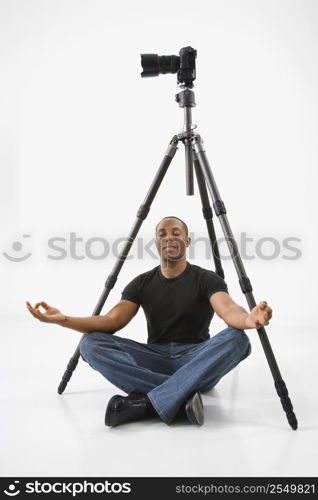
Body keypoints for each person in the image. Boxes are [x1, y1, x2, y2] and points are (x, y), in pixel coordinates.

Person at [26, 216, 272, 427]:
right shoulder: (141, 283)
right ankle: (181, 395)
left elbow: (229, 311)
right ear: (156, 243)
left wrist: (250, 319)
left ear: (187, 241)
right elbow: (112, 321)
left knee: (238, 339)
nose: (169, 237)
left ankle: (146, 403)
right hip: (154, 359)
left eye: (177, 233)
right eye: (162, 234)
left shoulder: (206, 279)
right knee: (91, 344)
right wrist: (63, 320)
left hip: (196, 358)